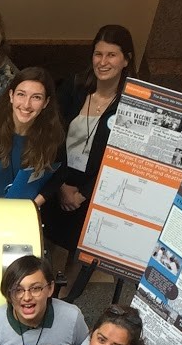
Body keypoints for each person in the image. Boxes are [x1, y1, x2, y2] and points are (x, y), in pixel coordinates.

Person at [46, 26, 134, 281]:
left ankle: (67, 301)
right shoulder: (72, 89)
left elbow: (123, 162)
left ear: (126, 59)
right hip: (57, 180)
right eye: (98, 54)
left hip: (95, 190)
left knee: (78, 253)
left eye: (112, 55)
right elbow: (49, 135)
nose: (103, 62)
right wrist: (59, 184)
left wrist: (83, 193)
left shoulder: (130, 104)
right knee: (46, 246)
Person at [0, 67, 64, 206]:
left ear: (46, 103)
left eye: (36, 97)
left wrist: (33, 205)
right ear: (11, 95)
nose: (27, 104)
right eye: (21, 94)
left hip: (28, 212)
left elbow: (60, 174)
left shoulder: (53, 134)